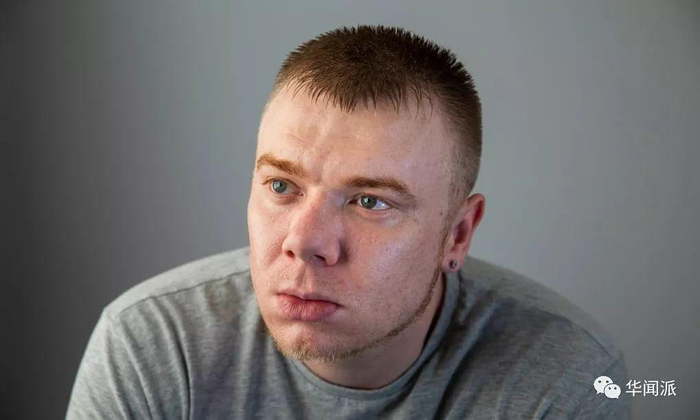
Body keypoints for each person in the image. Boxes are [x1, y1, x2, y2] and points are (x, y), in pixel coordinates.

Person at [66, 24, 630, 419]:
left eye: (370, 202)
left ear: (457, 234)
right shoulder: (154, 348)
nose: (304, 242)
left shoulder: (564, 375)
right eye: (281, 186)